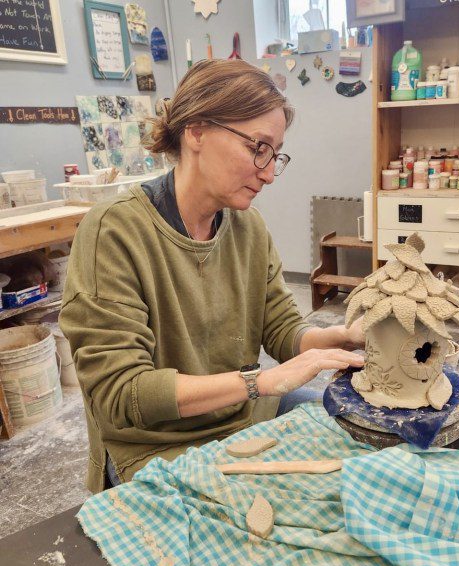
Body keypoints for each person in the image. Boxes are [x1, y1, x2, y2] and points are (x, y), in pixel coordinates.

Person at [59, 59, 365, 493]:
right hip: (155, 443)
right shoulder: (114, 230)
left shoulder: (248, 226)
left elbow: (279, 329)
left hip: (241, 412)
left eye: (275, 155)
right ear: (197, 130)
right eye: (257, 147)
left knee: (366, 437)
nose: (267, 173)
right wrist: (260, 381)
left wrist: (339, 337)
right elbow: (121, 394)